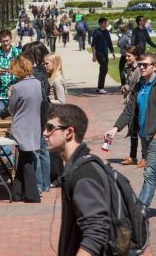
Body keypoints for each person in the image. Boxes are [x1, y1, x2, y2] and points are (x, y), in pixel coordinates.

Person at [104, 53, 156, 219]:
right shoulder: (140, 85)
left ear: (155, 66)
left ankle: (139, 209)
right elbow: (129, 109)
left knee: (150, 172)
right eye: (140, 64)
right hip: (144, 136)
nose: (141, 67)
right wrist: (115, 128)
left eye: (145, 64)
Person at [45, 104, 110, 256]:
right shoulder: (77, 166)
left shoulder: (83, 173)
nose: (44, 133)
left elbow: (97, 231)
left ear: (69, 132)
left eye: (49, 128)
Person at [0, 55, 42, 203]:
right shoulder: (37, 83)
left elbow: (11, 109)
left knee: (26, 161)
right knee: (24, 159)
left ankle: (32, 194)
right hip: (34, 124)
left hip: (21, 126)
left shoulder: (17, 87)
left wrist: (0, 116)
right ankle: (16, 193)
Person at [22, 41, 52, 193]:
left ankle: (39, 184)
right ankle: (45, 183)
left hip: (35, 116)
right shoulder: (42, 70)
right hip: (43, 115)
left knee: (36, 150)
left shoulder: (35, 73)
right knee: (43, 150)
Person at [119, 46, 145, 166]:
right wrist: (125, 88)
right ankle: (133, 156)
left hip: (138, 104)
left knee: (141, 131)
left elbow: (139, 86)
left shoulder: (139, 69)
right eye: (126, 55)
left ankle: (145, 157)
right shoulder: (130, 68)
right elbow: (130, 85)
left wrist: (127, 88)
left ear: (136, 56)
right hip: (131, 103)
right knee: (133, 131)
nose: (126, 57)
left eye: (129, 55)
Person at [91, 17, 115, 94]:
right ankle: (101, 87)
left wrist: (112, 52)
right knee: (104, 68)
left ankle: (99, 87)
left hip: (105, 53)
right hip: (99, 53)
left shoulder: (107, 32)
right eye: (104, 23)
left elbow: (109, 43)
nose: (106, 24)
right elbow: (93, 45)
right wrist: (94, 55)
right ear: (101, 24)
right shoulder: (97, 32)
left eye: (106, 23)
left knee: (103, 70)